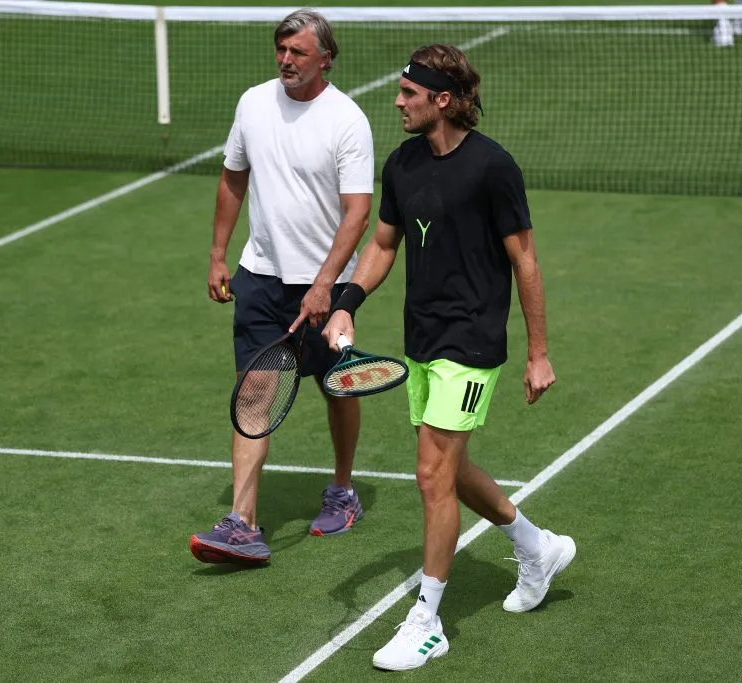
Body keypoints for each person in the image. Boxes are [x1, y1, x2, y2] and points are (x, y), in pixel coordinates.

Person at [322, 44, 576, 669]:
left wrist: (538, 352)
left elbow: (525, 260)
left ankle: (427, 620)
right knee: (450, 470)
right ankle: (533, 544)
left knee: (432, 476)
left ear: (442, 100)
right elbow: (383, 245)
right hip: (423, 339)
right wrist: (347, 301)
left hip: (473, 341)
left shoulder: (493, 168)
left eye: (409, 94)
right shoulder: (403, 163)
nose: (398, 101)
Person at [189, 8, 375, 565]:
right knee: (253, 395)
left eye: (297, 52)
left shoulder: (347, 120)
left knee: (336, 387)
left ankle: (343, 489)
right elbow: (233, 176)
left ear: (325, 59)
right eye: (281, 49)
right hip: (261, 278)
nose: (286, 60)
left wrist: (324, 285)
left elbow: (358, 213)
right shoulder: (252, 103)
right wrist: (220, 253)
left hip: (327, 287)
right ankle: (242, 521)